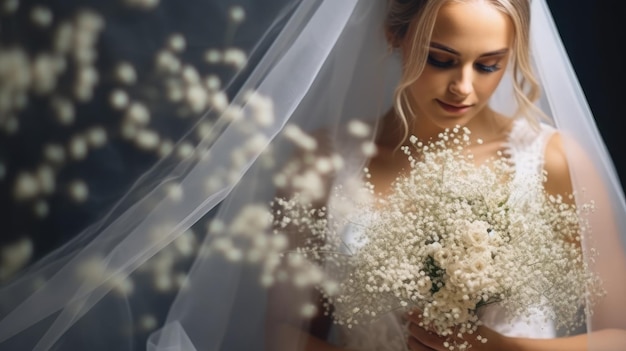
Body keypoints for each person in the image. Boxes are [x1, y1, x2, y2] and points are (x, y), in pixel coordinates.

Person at [0, 1, 624, 351]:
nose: (465, 86)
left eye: (490, 65)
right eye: (441, 60)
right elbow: (288, 332)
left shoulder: (551, 160)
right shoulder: (322, 163)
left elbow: (618, 334)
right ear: (395, 38)